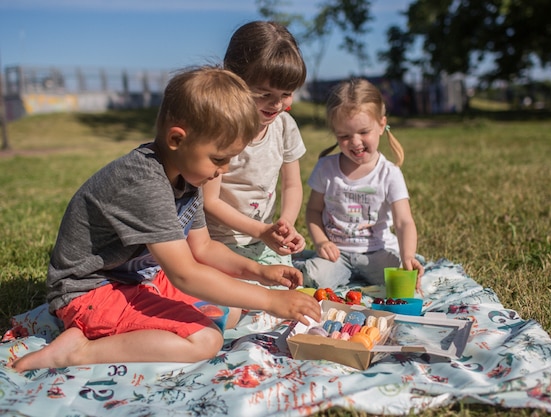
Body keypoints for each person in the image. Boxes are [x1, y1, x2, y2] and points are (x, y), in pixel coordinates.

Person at [10, 66, 321, 373]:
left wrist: (259, 272)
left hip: (139, 279)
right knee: (206, 340)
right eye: (219, 158)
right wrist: (269, 300)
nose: (224, 170)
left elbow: (203, 249)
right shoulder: (144, 183)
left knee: (232, 306)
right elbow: (184, 274)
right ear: (176, 139)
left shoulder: (187, 176)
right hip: (90, 293)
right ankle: (80, 350)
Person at [296, 78, 425, 292]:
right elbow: (313, 211)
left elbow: (404, 222)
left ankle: (408, 262)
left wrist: (408, 256)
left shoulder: (389, 173)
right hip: (337, 254)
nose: (355, 142)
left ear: (382, 125)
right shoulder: (326, 168)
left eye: (364, 132)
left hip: (377, 253)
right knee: (312, 277)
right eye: (344, 136)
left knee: (403, 278)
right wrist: (320, 242)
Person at [203, 21, 307, 269]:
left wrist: (286, 224)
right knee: (234, 302)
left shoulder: (284, 126)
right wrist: (261, 231)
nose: (277, 105)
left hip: (263, 240)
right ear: (235, 79)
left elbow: (292, 185)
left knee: (285, 295)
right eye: (264, 94)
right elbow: (210, 201)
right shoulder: (221, 129)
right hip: (216, 243)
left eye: (286, 94)